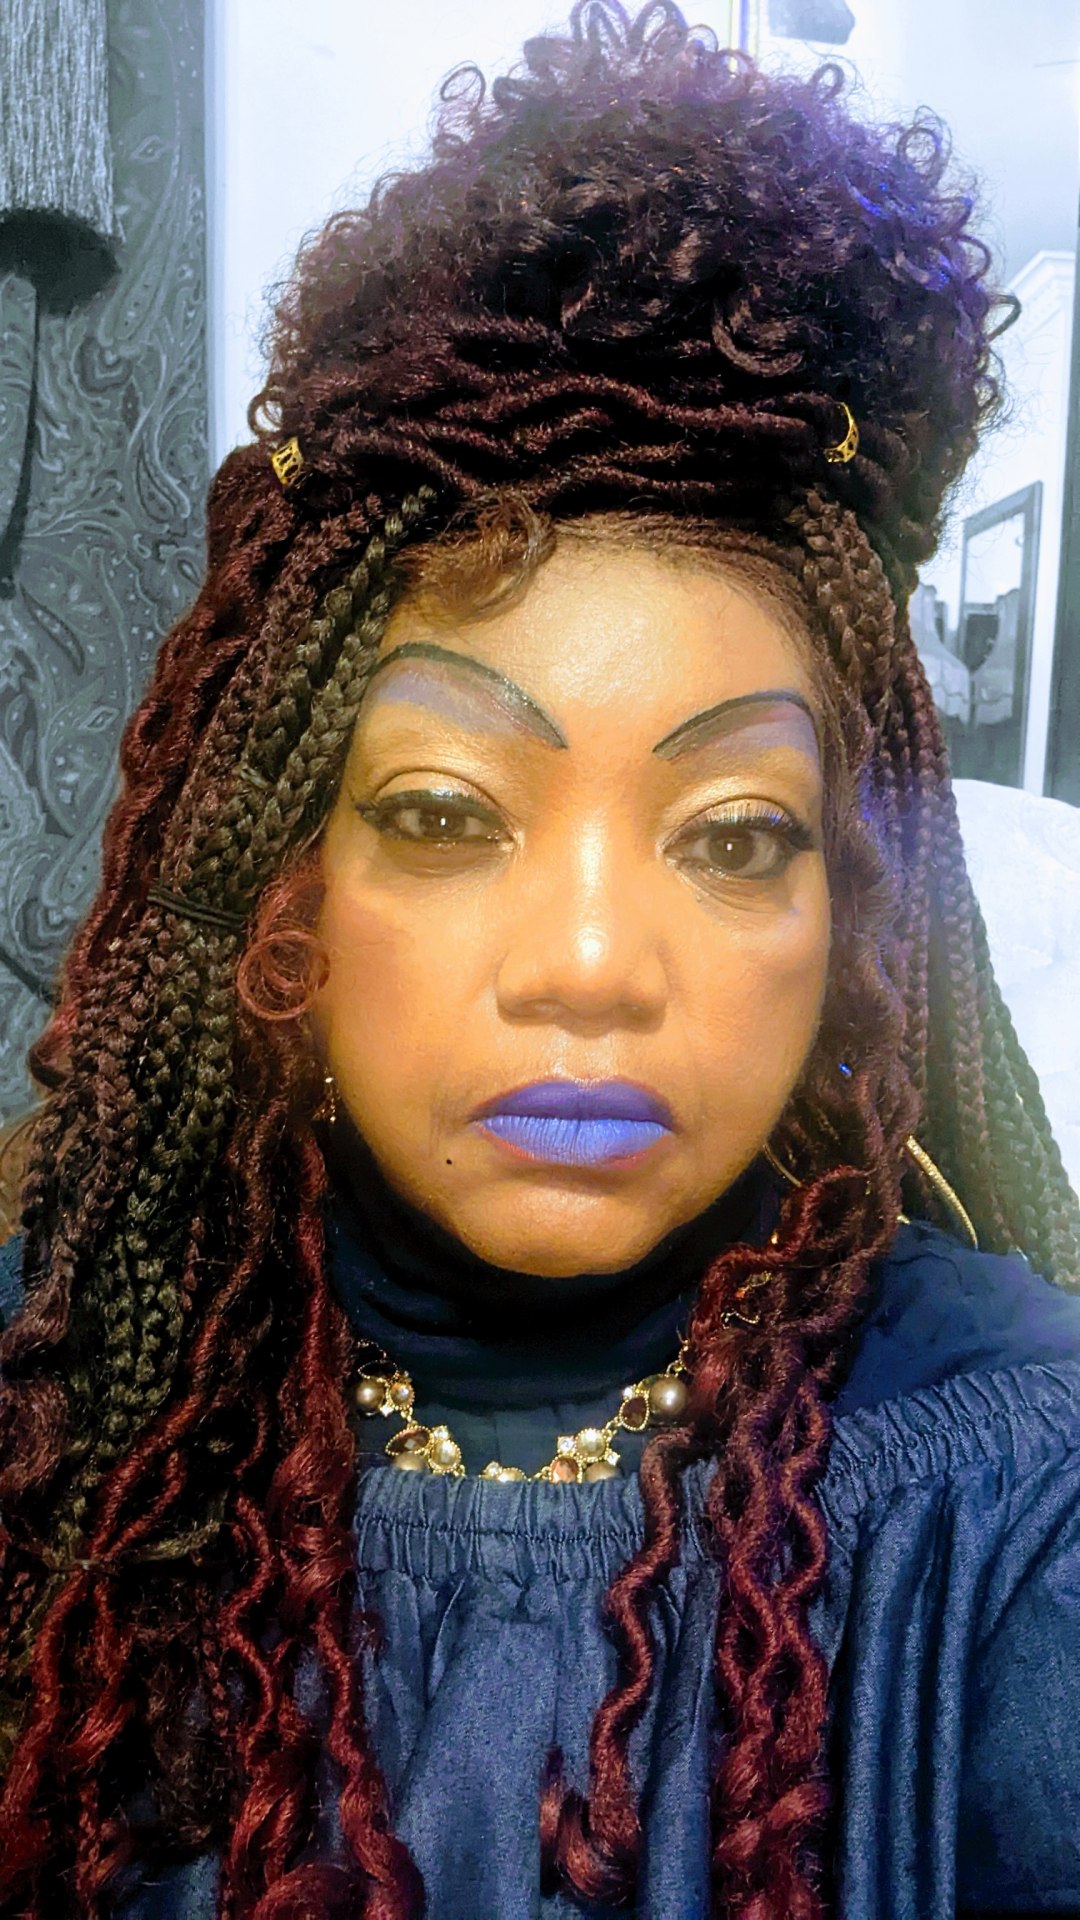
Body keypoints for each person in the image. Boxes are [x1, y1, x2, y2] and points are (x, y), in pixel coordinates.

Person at [1, 5, 1079, 1915]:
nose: (590, 967)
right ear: (286, 893)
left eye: (733, 837)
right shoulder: (55, 1408)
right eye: (443, 815)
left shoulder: (1018, 1487)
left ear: (853, 914)